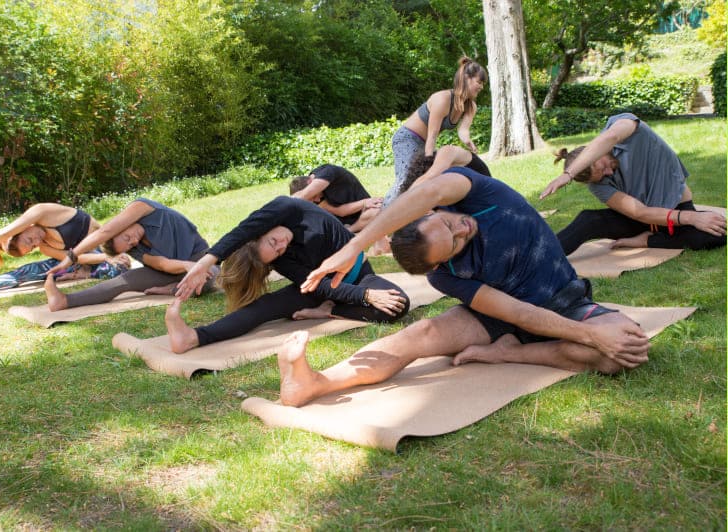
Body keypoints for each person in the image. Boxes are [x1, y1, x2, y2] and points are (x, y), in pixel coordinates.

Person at [277, 165, 650, 407]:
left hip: (564, 299)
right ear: (439, 264)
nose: (461, 229)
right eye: (453, 242)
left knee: (624, 348)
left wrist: (355, 245)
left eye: (447, 223)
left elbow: (427, 192)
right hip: (508, 313)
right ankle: (313, 383)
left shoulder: (481, 197)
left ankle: (509, 354)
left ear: (432, 213)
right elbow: (517, 312)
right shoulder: (444, 275)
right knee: (418, 335)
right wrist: (590, 336)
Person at [166, 196, 410, 354]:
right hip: (323, 288)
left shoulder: (287, 208)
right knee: (264, 308)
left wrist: (207, 261)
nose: (281, 246)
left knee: (399, 304)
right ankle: (193, 337)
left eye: (274, 242)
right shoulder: (282, 260)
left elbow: (240, 231)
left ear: (263, 229)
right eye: (277, 251)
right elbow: (321, 285)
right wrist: (366, 296)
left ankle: (328, 311)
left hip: (358, 275)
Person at [540, 112, 726, 254]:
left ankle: (648, 240)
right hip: (645, 218)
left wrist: (568, 174)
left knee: (714, 236)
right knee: (588, 220)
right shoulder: (597, 184)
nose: (608, 173)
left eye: (603, 166)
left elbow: (609, 138)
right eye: (601, 176)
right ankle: (540, 257)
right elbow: (640, 212)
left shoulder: (626, 127)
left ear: (595, 151)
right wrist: (694, 219)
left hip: (675, 210)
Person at [43, 198, 218, 311]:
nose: (132, 242)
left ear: (122, 226)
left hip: (200, 259)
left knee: (210, 278)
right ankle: (64, 301)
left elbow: (105, 231)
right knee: (123, 281)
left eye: (126, 237)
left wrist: (71, 257)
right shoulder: (137, 248)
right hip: (174, 270)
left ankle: (172, 289)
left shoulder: (143, 207)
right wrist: (186, 266)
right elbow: (163, 264)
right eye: (128, 245)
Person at [0, 203, 128, 298]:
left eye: (30, 239)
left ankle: (81, 274)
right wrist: (104, 258)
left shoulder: (42, 212)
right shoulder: (46, 247)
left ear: (22, 229)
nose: (37, 242)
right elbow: (74, 258)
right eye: (32, 246)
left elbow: (1, 234)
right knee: (29, 271)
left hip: (105, 250)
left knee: (119, 268)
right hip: (92, 260)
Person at [384, 56, 488, 207]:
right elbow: (432, 135)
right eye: (479, 82)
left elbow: (463, 130)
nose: (481, 87)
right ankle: (386, 216)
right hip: (407, 138)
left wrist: (467, 140)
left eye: (482, 83)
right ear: (466, 78)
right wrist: (428, 162)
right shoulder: (443, 99)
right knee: (406, 180)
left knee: (426, 179)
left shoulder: (470, 106)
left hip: (424, 142)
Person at [290, 164, 382, 233]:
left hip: (364, 212)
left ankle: (350, 231)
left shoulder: (327, 171)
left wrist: (365, 203)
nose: (317, 200)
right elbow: (341, 211)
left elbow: (300, 197)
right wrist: (364, 202)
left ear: (310, 183)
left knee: (377, 209)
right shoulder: (316, 199)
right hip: (342, 221)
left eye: (313, 196)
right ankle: (349, 231)